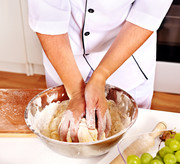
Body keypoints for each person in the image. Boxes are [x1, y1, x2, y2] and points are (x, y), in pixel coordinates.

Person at [28, 0, 173, 142]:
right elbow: (47, 18)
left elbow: (146, 15)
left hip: (127, 56)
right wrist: (76, 92)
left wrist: (100, 76)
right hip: (66, 56)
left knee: (131, 139)